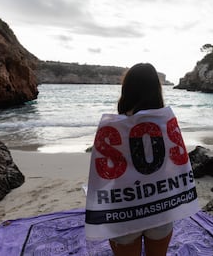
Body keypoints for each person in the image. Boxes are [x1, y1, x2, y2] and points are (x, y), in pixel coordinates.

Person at [85, 63, 199, 256]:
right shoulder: (167, 121)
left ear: (126, 89)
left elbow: (102, 177)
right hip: (161, 206)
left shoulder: (111, 126)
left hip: (123, 211)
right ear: (156, 89)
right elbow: (177, 165)